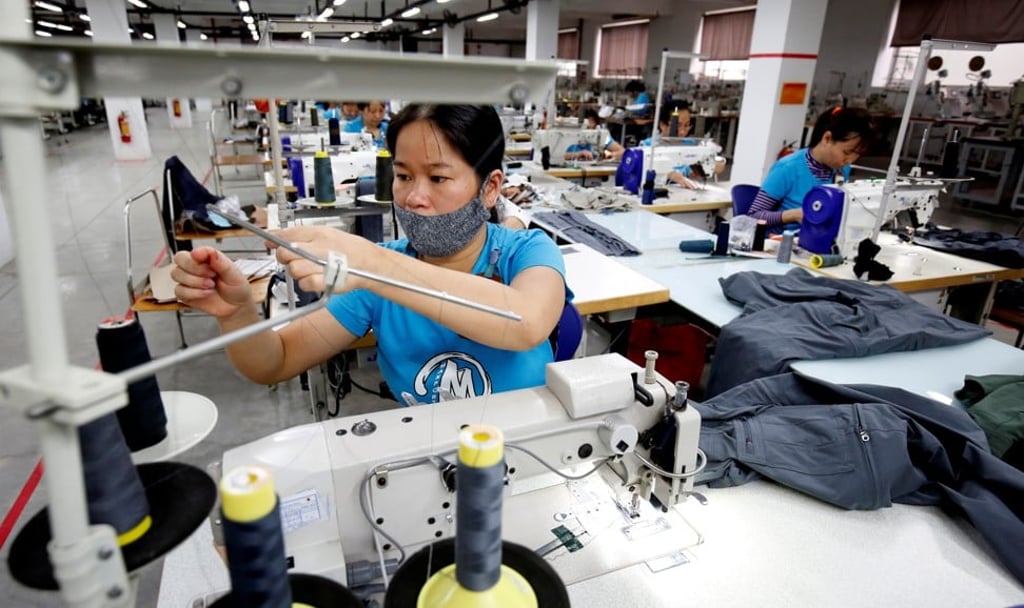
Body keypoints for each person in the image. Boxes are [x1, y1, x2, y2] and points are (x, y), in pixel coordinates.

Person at [172, 104, 569, 406]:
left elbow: (526, 322)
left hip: (527, 449)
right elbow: (275, 361)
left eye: (438, 178)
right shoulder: (373, 277)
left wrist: (372, 265)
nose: (414, 197)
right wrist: (237, 315)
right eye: (403, 176)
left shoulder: (526, 251)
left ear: (489, 188)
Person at [747, 106, 874, 234]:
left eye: (857, 155)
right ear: (827, 138)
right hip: (782, 244)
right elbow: (752, 217)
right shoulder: (788, 168)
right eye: (847, 152)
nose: (850, 160)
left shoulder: (841, 169)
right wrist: (794, 215)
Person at [638, 103, 724, 190]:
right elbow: (642, 167)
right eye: (677, 126)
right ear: (662, 125)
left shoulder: (692, 145)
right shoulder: (648, 146)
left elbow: (718, 165)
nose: (683, 132)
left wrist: (711, 166)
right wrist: (672, 175)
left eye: (687, 125)